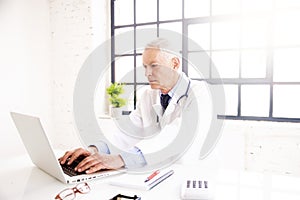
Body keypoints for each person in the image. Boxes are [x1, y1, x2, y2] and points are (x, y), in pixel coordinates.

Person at [59, 38, 210, 173]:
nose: (147, 73)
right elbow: (128, 133)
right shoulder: (148, 95)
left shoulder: (199, 93)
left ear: (175, 64)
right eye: (145, 67)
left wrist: (121, 159)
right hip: (156, 173)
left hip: (189, 173)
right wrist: (94, 150)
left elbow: (176, 137)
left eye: (154, 66)